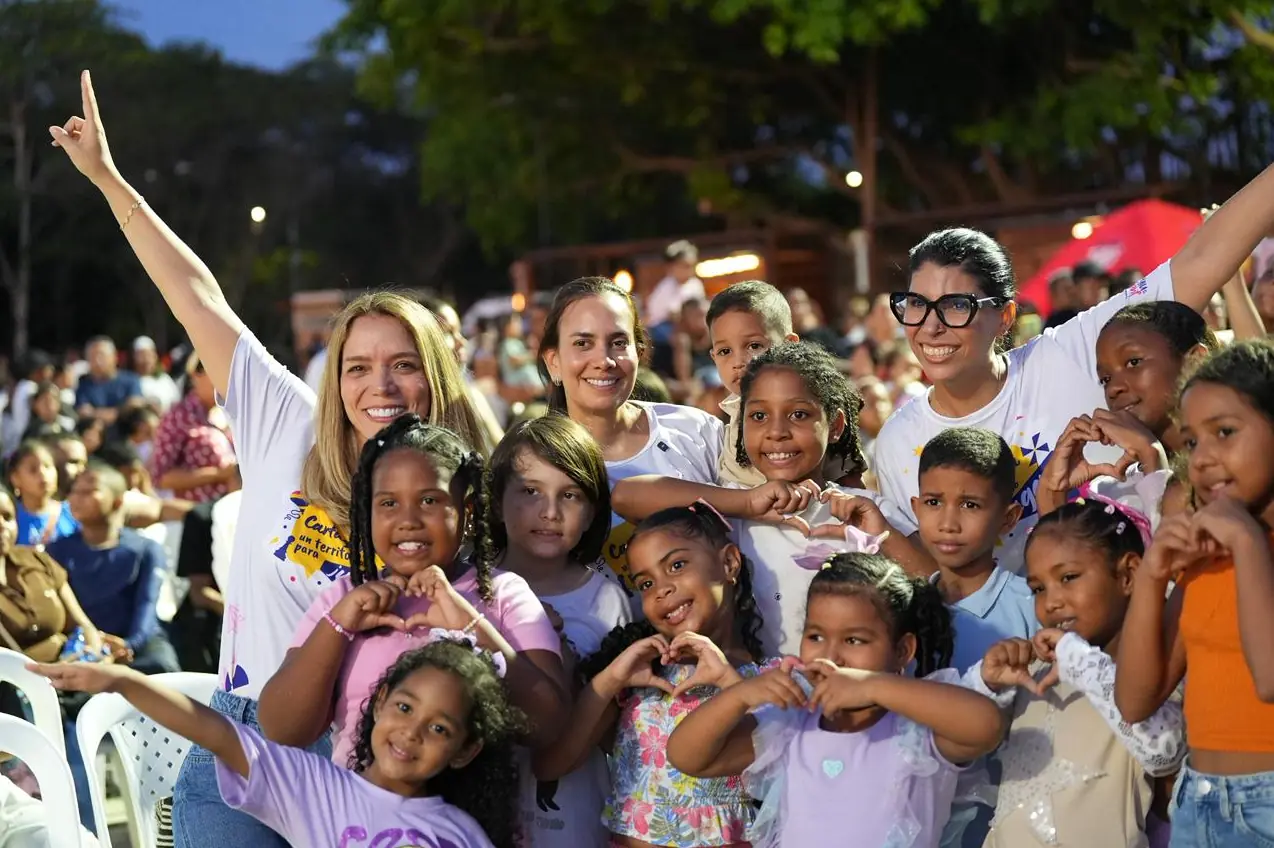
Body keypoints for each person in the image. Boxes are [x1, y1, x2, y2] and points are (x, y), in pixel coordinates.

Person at [50, 69, 493, 847]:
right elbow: (194, 295)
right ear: (334, 376)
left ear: (436, 372)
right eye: (358, 366)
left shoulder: (458, 486)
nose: (379, 385)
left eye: (404, 365)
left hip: (371, 763)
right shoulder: (284, 421)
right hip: (240, 739)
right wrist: (108, 180)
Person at [874, 179, 1274, 573]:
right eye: (915, 304)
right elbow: (928, 582)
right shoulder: (898, 441)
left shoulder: (1070, 352)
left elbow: (1200, 261)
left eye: (956, 305)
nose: (930, 327)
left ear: (1005, 318)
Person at [258, 415, 567, 765]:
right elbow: (282, 730)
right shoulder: (345, 596)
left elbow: (549, 726)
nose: (408, 520)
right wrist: (338, 625)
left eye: (429, 501)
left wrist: (471, 627)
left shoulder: (504, 594)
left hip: (469, 818)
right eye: (388, 503)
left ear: (466, 513)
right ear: (367, 512)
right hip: (355, 816)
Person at [31, 637, 525, 848]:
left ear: (465, 750)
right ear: (377, 706)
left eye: (440, 728)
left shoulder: (460, 832)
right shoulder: (312, 785)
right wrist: (121, 680)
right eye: (404, 707)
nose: (413, 731)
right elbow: (212, 730)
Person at [665, 552, 1005, 848]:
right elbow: (687, 757)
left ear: (902, 650)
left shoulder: (921, 732)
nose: (831, 656)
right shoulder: (791, 726)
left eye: (854, 640)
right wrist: (739, 695)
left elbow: (987, 725)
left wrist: (871, 686)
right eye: (815, 636)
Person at [613, 342, 925, 654]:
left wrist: (882, 536)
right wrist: (747, 504)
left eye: (799, 414)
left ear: (835, 426)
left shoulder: (867, 510)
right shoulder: (729, 513)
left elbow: (940, 591)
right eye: (759, 415)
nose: (776, 431)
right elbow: (627, 496)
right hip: (757, 695)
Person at [535, 503, 773, 848]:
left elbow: (781, 761)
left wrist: (728, 683)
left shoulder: (767, 680)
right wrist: (609, 679)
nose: (661, 589)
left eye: (676, 565)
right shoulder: (640, 683)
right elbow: (550, 766)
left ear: (728, 563)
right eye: (645, 583)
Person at [1115, 339, 1274, 846]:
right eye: (1191, 442)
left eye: (1224, 433)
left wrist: (1249, 544)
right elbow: (1136, 700)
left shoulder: (1244, 547)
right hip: (1197, 802)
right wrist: (1153, 576)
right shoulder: (1209, 558)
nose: (1203, 460)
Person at [966, 500, 1183, 847]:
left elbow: (1164, 751)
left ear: (1128, 575)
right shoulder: (1033, 671)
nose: (1051, 602)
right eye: (1038, 588)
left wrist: (1082, 664)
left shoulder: (1157, 673)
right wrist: (988, 684)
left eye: (1068, 578)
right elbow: (957, 752)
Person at [485, 416, 628, 846]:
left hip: (578, 826)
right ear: (495, 500)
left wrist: (559, 655)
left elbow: (617, 734)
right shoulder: (466, 589)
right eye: (530, 492)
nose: (550, 512)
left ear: (592, 513)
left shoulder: (607, 600)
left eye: (570, 495)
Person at [536, 276, 723, 595]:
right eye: (583, 343)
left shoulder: (696, 430)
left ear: (639, 352)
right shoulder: (534, 468)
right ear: (554, 362)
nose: (604, 361)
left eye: (618, 343)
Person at [1037, 302, 1222, 527]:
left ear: (1195, 361)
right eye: (1105, 379)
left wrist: (1153, 461)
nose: (1114, 388)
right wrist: (1052, 498)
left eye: (1133, 362)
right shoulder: (1111, 495)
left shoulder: (1232, 462)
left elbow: (1182, 555)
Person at [913, 427, 1036, 673]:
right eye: (933, 503)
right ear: (916, 509)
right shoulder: (903, 610)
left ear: (1008, 518)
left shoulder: (1032, 608)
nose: (948, 524)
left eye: (970, 505)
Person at [46, 460, 178, 674]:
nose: (77, 498)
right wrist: (92, 642)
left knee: (162, 667)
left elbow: (146, 605)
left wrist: (128, 645)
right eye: (75, 491)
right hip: (84, 643)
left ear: (117, 502)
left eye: (90, 492)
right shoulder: (57, 551)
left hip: (136, 645)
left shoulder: (145, 549)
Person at [704, 281, 797, 487]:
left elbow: (850, 483)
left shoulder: (811, 410)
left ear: (789, 345)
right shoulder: (733, 417)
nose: (738, 362)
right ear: (713, 357)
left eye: (754, 346)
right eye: (724, 351)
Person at [149, 353, 237, 503]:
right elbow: (161, 477)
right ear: (196, 375)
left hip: (233, 507)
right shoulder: (178, 416)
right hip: (199, 512)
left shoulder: (226, 413)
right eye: (217, 373)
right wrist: (217, 474)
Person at [7, 442, 77, 546]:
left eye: (48, 466)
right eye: (33, 469)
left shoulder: (74, 513)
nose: (43, 473)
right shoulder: (9, 518)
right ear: (15, 478)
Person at [74, 336, 142, 423]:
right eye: (93, 357)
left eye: (102, 356)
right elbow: (83, 412)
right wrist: (121, 411)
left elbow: (135, 405)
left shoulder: (131, 380)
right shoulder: (83, 383)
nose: (98, 361)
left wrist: (95, 413)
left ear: (114, 357)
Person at [644, 240, 704, 333]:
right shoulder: (664, 287)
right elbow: (661, 316)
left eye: (692, 266)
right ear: (672, 267)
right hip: (662, 330)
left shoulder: (696, 284)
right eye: (685, 266)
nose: (690, 270)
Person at [132, 336, 181, 413]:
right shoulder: (131, 381)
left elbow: (177, 404)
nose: (146, 359)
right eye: (141, 355)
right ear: (134, 357)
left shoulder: (165, 379)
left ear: (155, 356)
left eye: (149, 355)